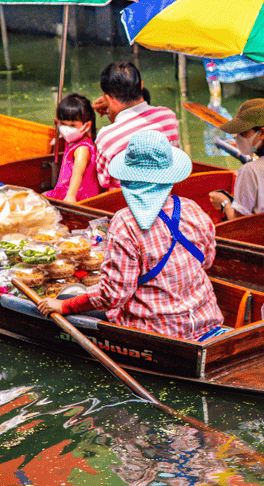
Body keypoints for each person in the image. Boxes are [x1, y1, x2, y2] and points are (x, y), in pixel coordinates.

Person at [37, 130, 224, 340]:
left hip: (157, 331)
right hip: (206, 318)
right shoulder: (193, 210)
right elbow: (206, 262)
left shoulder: (125, 223)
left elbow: (112, 296)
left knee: (69, 295)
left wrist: (64, 304)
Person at [92, 60, 180, 190]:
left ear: (108, 98)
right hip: (165, 193)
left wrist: (113, 113)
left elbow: (103, 181)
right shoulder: (168, 117)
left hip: (124, 205)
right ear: (142, 86)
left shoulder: (106, 138)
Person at [44, 93, 100, 203]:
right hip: (64, 190)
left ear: (87, 125)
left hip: (77, 194)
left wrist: (70, 196)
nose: (66, 129)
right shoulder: (73, 140)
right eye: (63, 124)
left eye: (72, 126)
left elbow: (77, 173)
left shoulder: (82, 149)